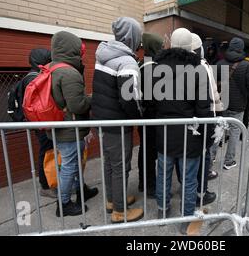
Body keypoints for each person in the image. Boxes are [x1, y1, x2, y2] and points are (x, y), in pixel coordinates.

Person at [153, 28, 212, 235]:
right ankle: (186, 220)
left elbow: (152, 104)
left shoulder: (157, 68)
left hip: (164, 134)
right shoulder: (198, 70)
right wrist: (208, 136)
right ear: (190, 47)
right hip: (190, 136)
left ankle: (162, 211)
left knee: (163, 174)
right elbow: (204, 109)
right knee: (188, 179)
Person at [91, 17, 144, 223]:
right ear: (133, 36)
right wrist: (138, 116)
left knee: (110, 164)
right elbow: (129, 99)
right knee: (121, 166)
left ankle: (113, 200)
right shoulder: (127, 61)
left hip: (102, 122)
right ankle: (120, 211)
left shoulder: (103, 55)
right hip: (118, 124)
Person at [48, 31, 98, 217]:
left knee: (74, 163)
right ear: (72, 49)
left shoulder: (51, 68)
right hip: (70, 129)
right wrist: (93, 98)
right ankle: (64, 204)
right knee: (69, 165)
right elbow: (78, 105)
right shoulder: (69, 73)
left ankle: (81, 190)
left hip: (59, 126)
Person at [212, 37, 249, 170]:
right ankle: (229, 161)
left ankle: (212, 156)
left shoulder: (220, 63)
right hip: (238, 105)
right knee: (234, 132)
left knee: (218, 130)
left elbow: (213, 84)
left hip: (221, 104)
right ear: (241, 49)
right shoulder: (247, 65)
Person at [191, 33, 221, 206]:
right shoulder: (203, 66)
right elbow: (212, 94)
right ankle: (201, 192)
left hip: (189, 121)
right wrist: (216, 118)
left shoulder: (183, 65)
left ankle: (193, 188)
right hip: (204, 119)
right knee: (204, 156)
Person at [22, 48, 55, 198]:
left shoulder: (34, 76)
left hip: (41, 121)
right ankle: (45, 186)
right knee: (46, 152)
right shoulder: (33, 78)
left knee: (49, 152)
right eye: (48, 59)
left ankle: (51, 182)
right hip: (41, 123)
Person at [138, 32, 164, 198]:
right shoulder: (154, 68)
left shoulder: (140, 64)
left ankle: (143, 182)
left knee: (145, 150)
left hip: (144, 116)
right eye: (160, 45)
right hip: (153, 117)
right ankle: (150, 186)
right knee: (151, 152)